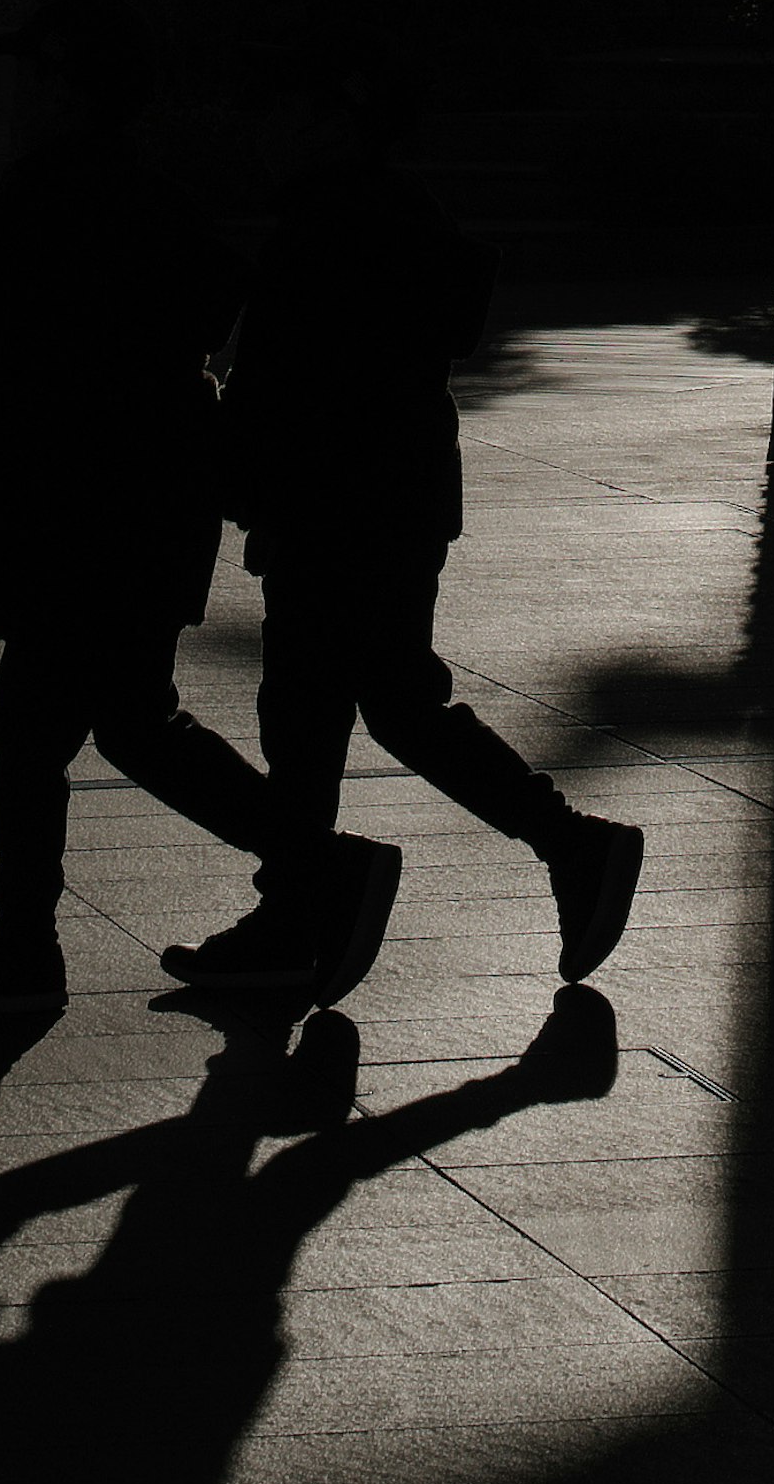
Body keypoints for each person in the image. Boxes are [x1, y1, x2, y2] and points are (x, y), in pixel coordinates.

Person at [0, 0, 398, 1029]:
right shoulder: (128, 189)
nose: (17, 94)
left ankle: (28, 944)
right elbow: (199, 304)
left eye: (32, 73)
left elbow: (3, 361)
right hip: (126, 512)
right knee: (126, 720)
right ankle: (313, 870)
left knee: (38, 723)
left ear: (68, 85)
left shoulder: (64, 192)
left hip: (83, 516)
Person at [162, 64, 641, 1008]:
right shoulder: (384, 212)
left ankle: (315, 904)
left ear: (336, 119)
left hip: (338, 507)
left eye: (286, 108)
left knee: (318, 711)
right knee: (374, 705)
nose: (266, 131)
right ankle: (312, 903)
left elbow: (300, 387)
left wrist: (221, 456)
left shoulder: (334, 225)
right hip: (382, 502)